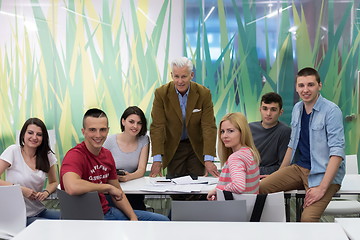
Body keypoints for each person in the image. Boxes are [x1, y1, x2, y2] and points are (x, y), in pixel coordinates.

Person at [260, 67, 345, 222]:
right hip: (299, 169)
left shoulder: (332, 111)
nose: (305, 90)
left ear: (319, 85)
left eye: (310, 85)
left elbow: (337, 153)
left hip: (323, 174)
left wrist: (321, 188)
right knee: (259, 188)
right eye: (301, 85)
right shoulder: (297, 108)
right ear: (296, 88)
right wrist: (279, 174)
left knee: (307, 220)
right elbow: (292, 145)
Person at [60, 108, 168, 221]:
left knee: (162, 221)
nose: (98, 135)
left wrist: (133, 218)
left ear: (107, 130)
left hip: (106, 213)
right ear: (83, 132)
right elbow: (72, 187)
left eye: (102, 130)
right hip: (84, 219)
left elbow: (118, 193)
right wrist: (107, 187)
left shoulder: (107, 155)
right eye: (92, 130)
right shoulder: (75, 155)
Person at [149, 56, 219, 178]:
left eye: (184, 76)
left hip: (196, 147)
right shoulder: (161, 94)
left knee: (197, 188)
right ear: (172, 75)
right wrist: (157, 160)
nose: (180, 81)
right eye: (176, 76)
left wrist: (208, 159)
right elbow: (157, 127)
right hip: (173, 146)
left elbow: (208, 127)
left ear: (191, 75)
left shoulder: (204, 94)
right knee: (174, 187)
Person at [0, 118, 60, 225]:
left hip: (39, 210)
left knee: (69, 220)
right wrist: (19, 189)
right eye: (30, 133)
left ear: (43, 138)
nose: (34, 137)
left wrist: (46, 192)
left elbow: (53, 182)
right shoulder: (13, 151)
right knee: (51, 227)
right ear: (23, 134)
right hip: (18, 217)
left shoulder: (47, 156)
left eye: (39, 134)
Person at [103, 106, 149, 210]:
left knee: (137, 214)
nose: (135, 126)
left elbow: (141, 169)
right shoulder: (109, 141)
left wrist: (128, 177)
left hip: (134, 191)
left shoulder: (144, 140)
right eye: (131, 122)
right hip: (113, 190)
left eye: (139, 123)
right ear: (123, 121)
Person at [207, 113, 260, 200]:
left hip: (235, 210)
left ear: (242, 132)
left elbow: (238, 186)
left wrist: (218, 190)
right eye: (222, 131)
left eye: (230, 131)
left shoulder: (236, 158)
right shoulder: (250, 152)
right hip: (248, 208)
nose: (224, 136)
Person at [249, 92, 291, 175]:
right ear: (260, 109)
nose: (268, 113)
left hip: (270, 177)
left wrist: (255, 171)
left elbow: (283, 165)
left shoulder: (285, 131)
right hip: (246, 174)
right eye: (265, 108)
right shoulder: (249, 128)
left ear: (281, 112)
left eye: (273, 109)